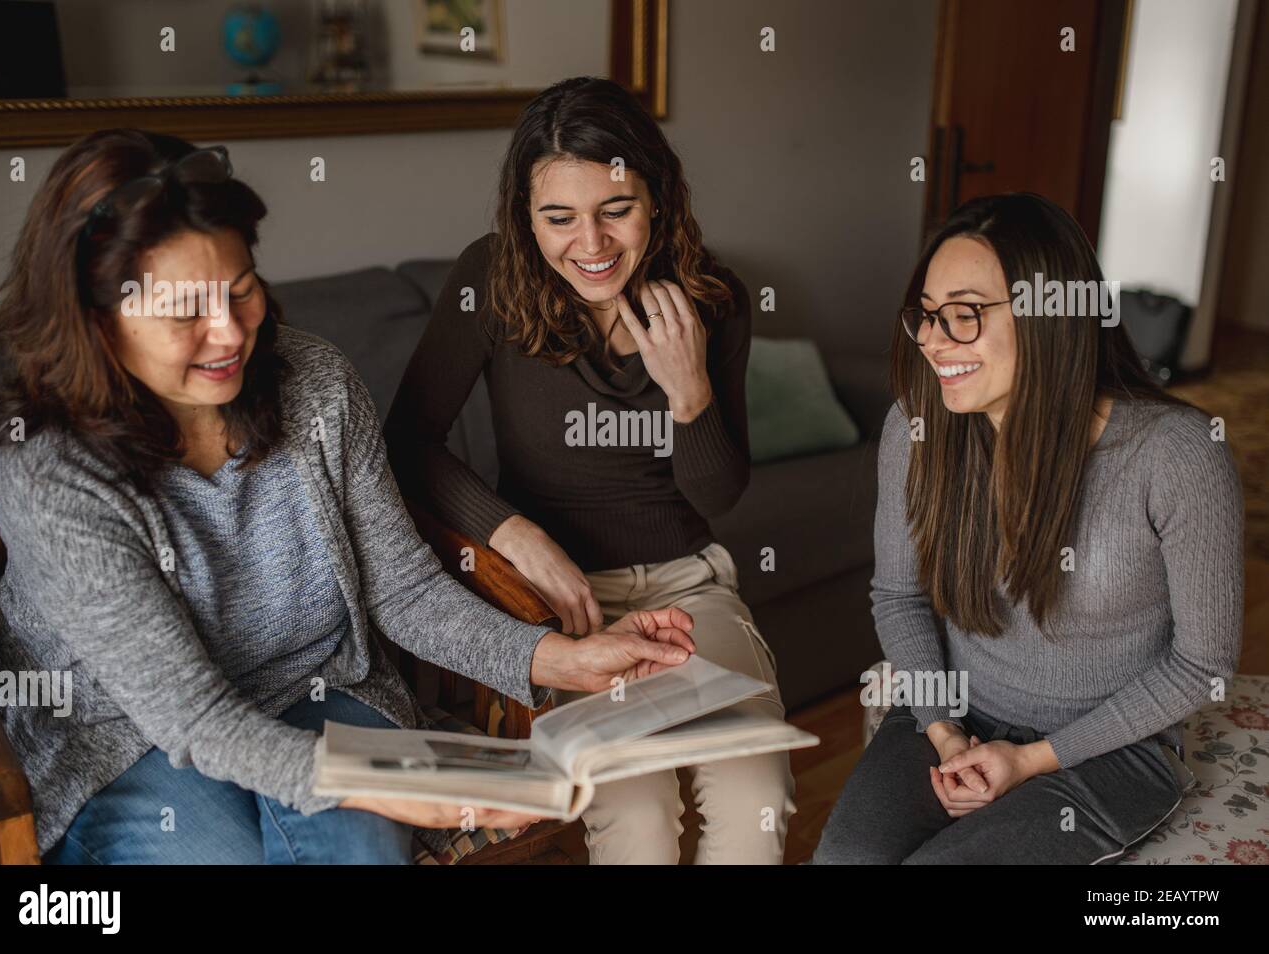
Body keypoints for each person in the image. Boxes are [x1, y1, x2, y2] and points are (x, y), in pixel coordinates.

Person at [0, 128, 695, 865]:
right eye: (185, 311)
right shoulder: (47, 469)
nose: (228, 335)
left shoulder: (314, 384)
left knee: (361, 853)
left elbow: (404, 589)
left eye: (241, 290)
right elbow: (193, 718)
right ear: (96, 320)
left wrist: (564, 659)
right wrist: (392, 786)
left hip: (316, 690)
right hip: (127, 739)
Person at [389, 77, 795, 864]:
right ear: (524, 217)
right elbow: (407, 443)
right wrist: (517, 534)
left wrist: (691, 392)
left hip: (688, 587)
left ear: (658, 199)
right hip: (562, 605)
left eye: (616, 209)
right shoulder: (491, 281)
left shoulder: (715, 299)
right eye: (558, 217)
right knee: (636, 819)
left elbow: (720, 495)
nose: (592, 243)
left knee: (756, 801)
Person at [812, 192, 1243, 864]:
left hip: (1108, 751)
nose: (931, 340)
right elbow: (899, 596)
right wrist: (946, 732)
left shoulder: (1175, 454)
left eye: (962, 316)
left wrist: (1032, 760)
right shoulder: (918, 427)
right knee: (845, 859)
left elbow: (1203, 666)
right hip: (958, 713)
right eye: (926, 316)